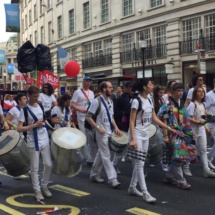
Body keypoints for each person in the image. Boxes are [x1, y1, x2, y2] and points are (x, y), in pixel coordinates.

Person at [127, 78, 176, 203]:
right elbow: (131, 121)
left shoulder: (149, 99)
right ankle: (145, 192)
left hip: (145, 134)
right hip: (137, 134)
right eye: (150, 84)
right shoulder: (136, 101)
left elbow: (154, 118)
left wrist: (169, 127)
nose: (152, 86)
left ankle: (132, 187)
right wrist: (132, 139)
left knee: (141, 162)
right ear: (144, 87)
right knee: (139, 164)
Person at [17, 86, 52, 201]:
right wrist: (34, 126)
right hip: (33, 141)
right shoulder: (25, 110)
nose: (37, 98)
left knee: (48, 164)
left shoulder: (40, 106)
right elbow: (19, 128)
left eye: (38, 95)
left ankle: (44, 185)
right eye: (34, 96)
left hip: (44, 138)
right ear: (29, 96)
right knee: (35, 168)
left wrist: (51, 129)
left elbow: (44, 120)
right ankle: (37, 190)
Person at [86, 81, 122, 188]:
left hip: (109, 132)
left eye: (112, 87)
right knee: (107, 155)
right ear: (103, 89)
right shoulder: (96, 102)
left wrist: (116, 128)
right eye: (110, 87)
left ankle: (94, 174)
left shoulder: (110, 101)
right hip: (101, 133)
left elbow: (111, 117)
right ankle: (112, 178)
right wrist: (98, 127)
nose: (112, 89)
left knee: (101, 154)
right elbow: (88, 117)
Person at [158, 83, 193, 190]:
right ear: (172, 92)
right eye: (178, 90)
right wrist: (165, 136)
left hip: (182, 134)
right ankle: (181, 181)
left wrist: (189, 133)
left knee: (179, 157)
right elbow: (163, 120)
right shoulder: (167, 105)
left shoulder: (182, 105)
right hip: (172, 133)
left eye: (181, 90)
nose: (181, 92)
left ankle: (169, 176)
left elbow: (186, 120)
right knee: (178, 157)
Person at [187, 86, 215, 177]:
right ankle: (186, 167)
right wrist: (199, 122)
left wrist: (205, 125)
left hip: (201, 130)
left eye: (202, 91)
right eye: (199, 91)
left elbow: (203, 117)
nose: (201, 93)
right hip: (193, 130)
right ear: (195, 93)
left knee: (203, 150)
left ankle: (206, 170)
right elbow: (189, 118)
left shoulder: (203, 104)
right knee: (190, 150)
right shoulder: (192, 104)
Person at [71, 76, 95, 165]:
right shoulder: (77, 92)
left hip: (90, 117)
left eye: (89, 81)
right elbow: (72, 104)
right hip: (81, 117)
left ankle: (89, 158)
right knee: (84, 138)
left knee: (91, 138)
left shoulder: (92, 93)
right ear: (83, 82)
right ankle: (87, 157)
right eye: (87, 81)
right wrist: (81, 110)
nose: (88, 83)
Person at [206, 79, 215, 170]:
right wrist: (211, 117)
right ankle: (208, 159)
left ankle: (208, 158)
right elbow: (205, 108)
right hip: (212, 123)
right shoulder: (208, 95)